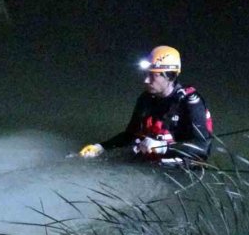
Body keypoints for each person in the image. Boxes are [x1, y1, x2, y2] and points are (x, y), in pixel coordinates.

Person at [79, 45, 213, 166]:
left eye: (153, 75)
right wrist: (101, 147)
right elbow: (130, 135)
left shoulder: (191, 102)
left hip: (179, 167)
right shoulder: (145, 99)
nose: (146, 80)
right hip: (151, 160)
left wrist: (163, 147)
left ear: (170, 76)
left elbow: (202, 148)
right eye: (145, 74)